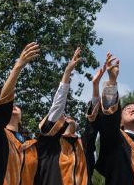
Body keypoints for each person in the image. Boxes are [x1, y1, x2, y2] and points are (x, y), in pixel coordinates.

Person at [0, 41, 41, 185]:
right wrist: (18, 66)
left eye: (17, 105)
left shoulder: (32, 146)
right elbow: (1, 105)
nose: (14, 105)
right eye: (11, 104)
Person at [90, 53, 134, 185]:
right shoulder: (115, 139)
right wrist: (112, 81)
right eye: (127, 109)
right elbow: (109, 119)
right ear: (120, 121)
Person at [35, 47, 96, 185]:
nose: (68, 117)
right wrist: (67, 72)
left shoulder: (83, 144)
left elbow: (93, 122)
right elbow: (57, 107)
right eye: (65, 118)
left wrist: (96, 87)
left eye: (70, 117)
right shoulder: (49, 144)